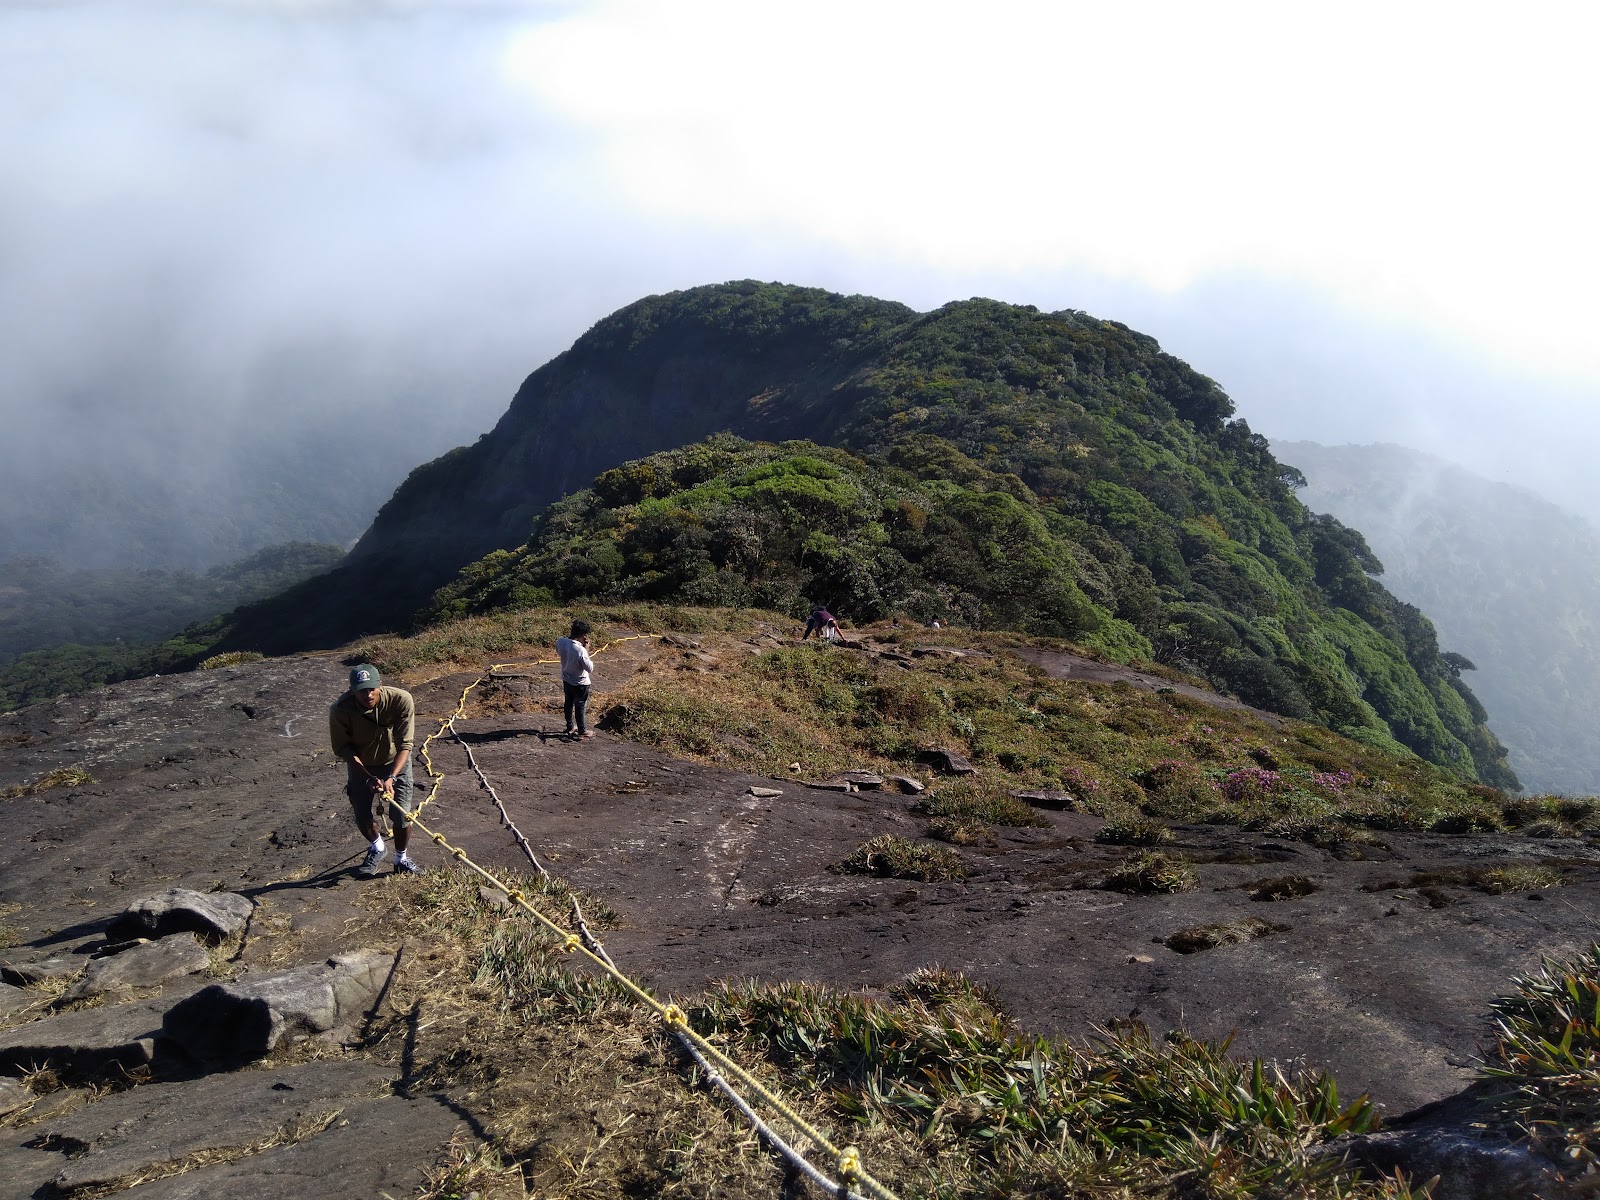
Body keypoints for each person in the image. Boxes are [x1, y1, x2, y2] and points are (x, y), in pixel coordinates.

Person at [329, 664, 420, 876]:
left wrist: (392, 777)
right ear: (351, 689)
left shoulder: (401, 699)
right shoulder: (340, 709)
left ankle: (401, 858)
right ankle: (377, 846)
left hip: (395, 762)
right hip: (362, 765)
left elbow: (406, 744)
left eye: (371, 688)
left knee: (402, 815)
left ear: (380, 685)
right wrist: (367, 777)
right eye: (361, 690)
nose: (367, 694)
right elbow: (343, 748)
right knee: (361, 813)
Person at [555, 620, 596, 738]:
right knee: (580, 705)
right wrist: (586, 649)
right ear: (583, 635)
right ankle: (582, 730)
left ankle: (570, 726)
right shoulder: (580, 650)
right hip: (580, 683)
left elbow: (559, 651)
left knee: (568, 703)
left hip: (567, 679)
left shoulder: (561, 642)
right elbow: (589, 668)